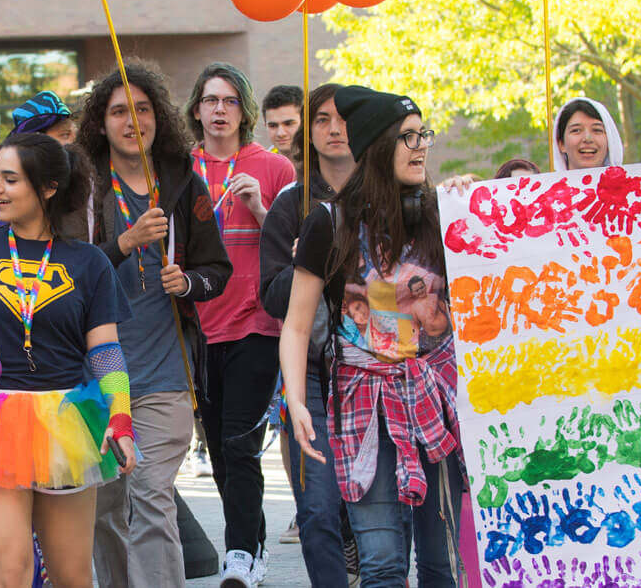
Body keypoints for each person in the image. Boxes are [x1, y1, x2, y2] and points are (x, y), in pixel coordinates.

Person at [0, 133, 136, 588]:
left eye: (11, 179)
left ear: (49, 188)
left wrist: (121, 416)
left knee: (73, 576)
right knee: (12, 569)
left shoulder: (90, 262)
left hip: (66, 422)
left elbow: (105, 350)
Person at [281, 86, 465, 588]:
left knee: (442, 562)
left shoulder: (444, 214)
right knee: (382, 563)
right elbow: (297, 325)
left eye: (423, 134)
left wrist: (476, 203)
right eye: (407, 137)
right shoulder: (329, 222)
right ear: (377, 148)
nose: (421, 146)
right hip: (365, 406)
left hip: (437, 401)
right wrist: (297, 401)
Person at [78, 62, 232, 587]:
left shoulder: (184, 182)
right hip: (94, 378)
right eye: (119, 111)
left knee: (150, 495)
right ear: (101, 122)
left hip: (166, 376)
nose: (132, 120)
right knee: (105, 509)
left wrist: (186, 284)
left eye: (142, 109)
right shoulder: (83, 186)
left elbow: (219, 271)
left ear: (157, 116)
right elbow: (65, 278)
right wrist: (123, 245)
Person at [183, 62, 295, 587]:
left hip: (257, 322)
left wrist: (260, 205)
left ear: (244, 111)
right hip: (199, 325)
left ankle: (238, 559)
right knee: (223, 452)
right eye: (210, 101)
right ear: (197, 110)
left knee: (239, 443)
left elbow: (296, 245)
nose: (220, 110)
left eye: (229, 101)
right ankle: (253, 542)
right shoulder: (181, 169)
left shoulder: (273, 168)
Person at [258, 83, 356, 584]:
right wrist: (305, 262)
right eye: (321, 120)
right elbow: (272, 298)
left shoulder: (389, 197)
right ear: (307, 134)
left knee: (376, 517)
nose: (334, 129)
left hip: (378, 375)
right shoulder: (289, 206)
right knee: (317, 510)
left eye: (343, 118)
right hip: (313, 378)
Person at [551, 97, 623, 171]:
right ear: (561, 144)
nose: (588, 138)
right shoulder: (546, 182)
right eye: (576, 130)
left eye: (597, 130)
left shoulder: (631, 182)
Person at [261, 85, 304, 157]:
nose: (280, 134)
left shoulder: (325, 161)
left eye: (288, 124)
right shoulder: (260, 165)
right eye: (273, 126)